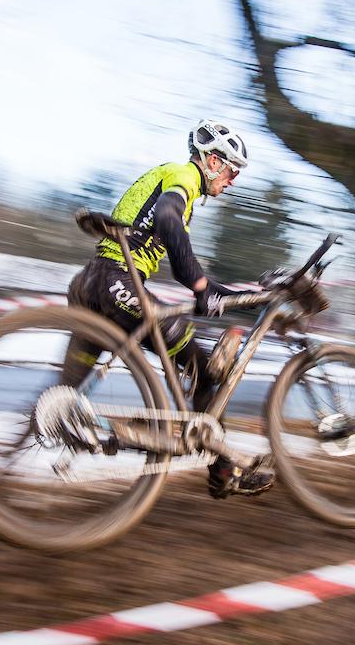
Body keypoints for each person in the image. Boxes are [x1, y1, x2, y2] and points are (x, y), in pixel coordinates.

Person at [62, 119, 273, 499]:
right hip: (117, 283)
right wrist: (202, 287)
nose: (232, 180)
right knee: (204, 369)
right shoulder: (184, 177)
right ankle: (223, 469)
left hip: (91, 283)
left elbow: (179, 261)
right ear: (210, 160)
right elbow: (166, 220)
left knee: (61, 396)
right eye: (231, 170)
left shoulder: (172, 182)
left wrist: (215, 291)